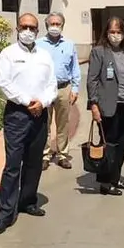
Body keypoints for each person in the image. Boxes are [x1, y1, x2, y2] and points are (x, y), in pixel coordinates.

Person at [0, 13, 58, 236]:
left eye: (32, 28)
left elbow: (52, 84)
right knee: (13, 164)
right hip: (17, 115)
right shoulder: (8, 54)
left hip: (40, 114)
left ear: (38, 31)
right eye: (24, 27)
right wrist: (26, 101)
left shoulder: (44, 55)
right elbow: (5, 83)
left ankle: (28, 201)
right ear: (17, 28)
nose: (28, 31)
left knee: (34, 162)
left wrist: (43, 102)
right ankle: (5, 213)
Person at [87, 17, 124, 195]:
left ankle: (116, 178)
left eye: (119, 32)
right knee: (109, 145)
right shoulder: (99, 52)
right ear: (106, 33)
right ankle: (105, 183)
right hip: (108, 106)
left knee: (123, 144)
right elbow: (92, 80)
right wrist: (93, 105)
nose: (115, 35)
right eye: (112, 32)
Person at [36, 12, 81, 170]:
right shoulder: (38, 44)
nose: (55, 27)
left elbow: (74, 68)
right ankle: (45, 154)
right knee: (44, 123)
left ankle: (62, 154)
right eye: (52, 24)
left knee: (63, 123)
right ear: (46, 25)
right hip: (44, 89)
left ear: (62, 25)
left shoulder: (69, 44)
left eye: (58, 24)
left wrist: (75, 88)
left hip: (63, 88)